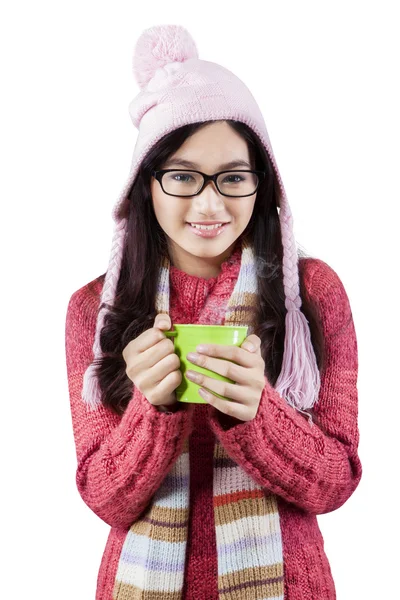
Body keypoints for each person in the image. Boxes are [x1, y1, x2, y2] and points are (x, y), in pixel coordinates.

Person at [64, 24, 362, 600]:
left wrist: (259, 414)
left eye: (232, 177)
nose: (209, 203)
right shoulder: (94, 310)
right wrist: (151, 410)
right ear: (145, 185)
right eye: (181, 176)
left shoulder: (313, 294)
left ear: (263, 184)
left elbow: (336, 482)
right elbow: (104, 496)